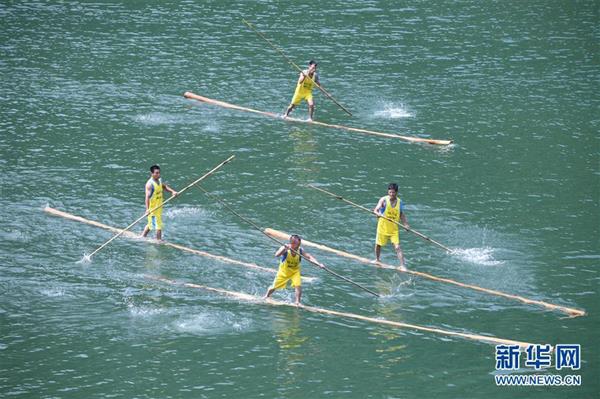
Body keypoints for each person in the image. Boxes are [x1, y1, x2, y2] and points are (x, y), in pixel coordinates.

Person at [265, 234, 324, 305]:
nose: (297, 246)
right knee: (274, 287)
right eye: (295, 244)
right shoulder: (285, 247)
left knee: (298, 285)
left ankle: (297, 302)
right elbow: (276, 255)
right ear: (291, 243)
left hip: (295, 272)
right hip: (284, 272)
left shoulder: (300, 250)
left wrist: (318, 264)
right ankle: (266, 296)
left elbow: (309, 257)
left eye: (298, 244)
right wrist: (284, 249)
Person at [373, 183, 409, 270]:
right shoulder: (383, 200)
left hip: (394, 229)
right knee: (378, 245)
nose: (391, 194)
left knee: (397, 247)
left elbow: (401, 215)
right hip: (383, 227)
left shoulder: (400, 202)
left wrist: (406, 224)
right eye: (390, 192)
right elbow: (375, 210)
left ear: (396, 192)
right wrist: (378, 214)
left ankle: (403, 266)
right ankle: (377, 260)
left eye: (393, 193)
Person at [141, 165, 178, 240]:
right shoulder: (149, 184)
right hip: (153, 209)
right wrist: (147, 209)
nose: (158, 174)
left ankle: (142, 236)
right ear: (152, 173)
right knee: (158, 226)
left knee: (151, 224)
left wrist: (172, 191)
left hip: (159, 207)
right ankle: (159, 241)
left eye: (159, 173)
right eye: (156, 173)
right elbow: (147, 197)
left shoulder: (159, 180)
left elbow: (164, 187)